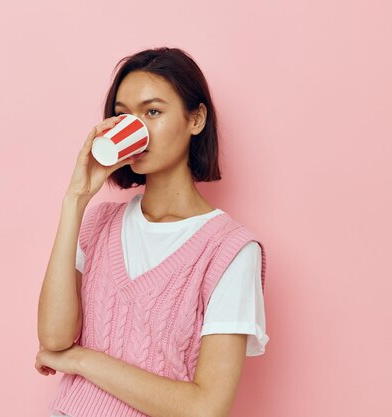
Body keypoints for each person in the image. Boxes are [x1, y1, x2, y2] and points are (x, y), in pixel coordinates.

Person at [36, 46, 268, 417]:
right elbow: (53, 337)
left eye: (153, 112)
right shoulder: (97, 223)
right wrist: (75, 199)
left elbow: (206, 408)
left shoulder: (231, 250)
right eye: (123, 116)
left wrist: (81, 360)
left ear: (196, 120)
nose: (136, 129)